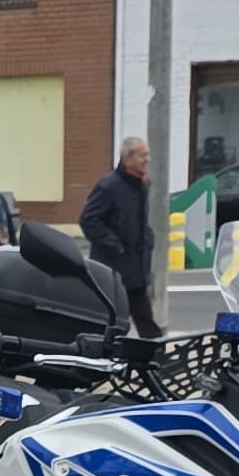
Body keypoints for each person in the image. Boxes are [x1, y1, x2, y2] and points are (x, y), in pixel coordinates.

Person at [79, 137, 160, 337]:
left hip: (137, 270)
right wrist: (115, 245)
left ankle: (156, 362)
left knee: (146, 322)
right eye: (143, 155)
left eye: (147, 154)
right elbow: (88, 220)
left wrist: (148, 238)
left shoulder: (142, 183)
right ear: (127, 158)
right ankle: (109, 363)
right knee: (114, 325)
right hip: (114, 272)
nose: (147, 159)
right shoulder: (108, 186)